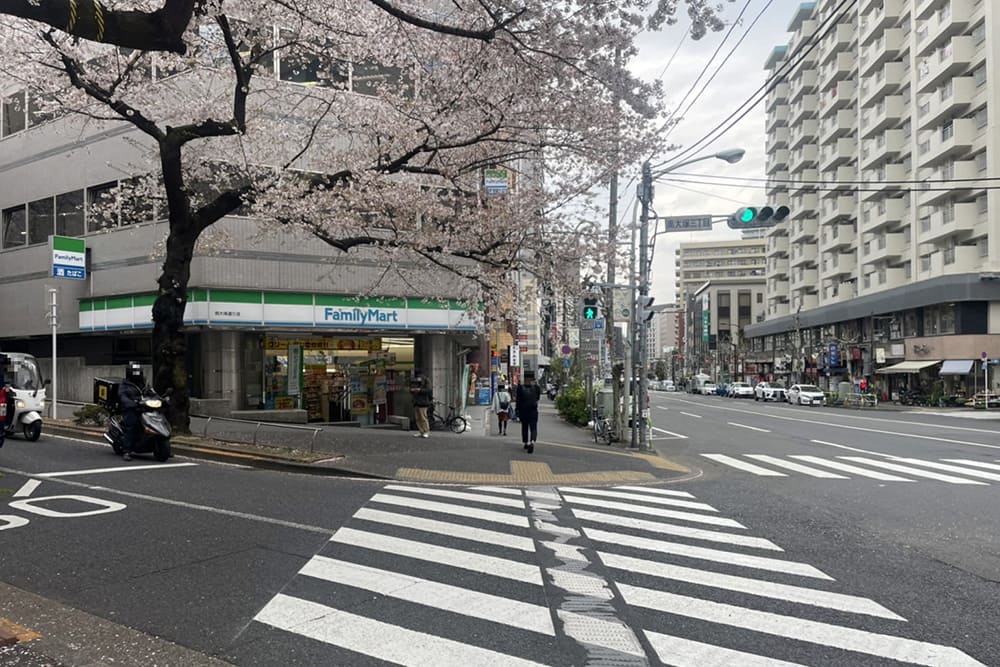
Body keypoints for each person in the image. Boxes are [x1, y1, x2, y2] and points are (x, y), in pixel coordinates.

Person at [118, 362, 145, 461]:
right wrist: (131, 403)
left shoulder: (143, 383)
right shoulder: (124, 385)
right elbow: (122, 397)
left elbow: (151, 392)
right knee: (132, 425)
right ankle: (126, 451)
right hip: (131, 409)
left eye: (138, 372)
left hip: (143, 408)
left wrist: (161, 399)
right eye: (135, 372)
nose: (137, 374)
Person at [515, 372, 541, 453]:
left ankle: (526, 443)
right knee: (533, 427)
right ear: (533, 379)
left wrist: (517, 410)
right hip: (533, 410)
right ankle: (532, 442)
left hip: (523, 410)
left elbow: (518, 400)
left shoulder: (520, 387)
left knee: (524, 427)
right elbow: (538, 398)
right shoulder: (536, 387)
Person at [409, 369, 432, 438]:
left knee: (422, 417)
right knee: (418, 418)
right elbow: (411, 388)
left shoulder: (426, 380)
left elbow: (428, 390)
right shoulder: (415, 380)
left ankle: (426, 431)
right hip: (417, 401)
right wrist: (412, 390)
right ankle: (421, 431)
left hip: (423, 401)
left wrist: (419, 390)